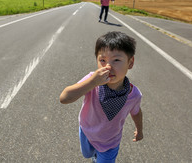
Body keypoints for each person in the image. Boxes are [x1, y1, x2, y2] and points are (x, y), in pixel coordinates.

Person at [60, 31, 143, 163]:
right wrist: (92, 82)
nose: (108, 67)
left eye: (116, 60)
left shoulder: (134, 95)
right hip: (87, 131)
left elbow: (136, 112)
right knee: (87, 154)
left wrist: (139, 129)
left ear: (130, 62)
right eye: (102, 60)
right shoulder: (92, 81)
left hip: (110, 142)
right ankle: (94, 156)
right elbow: (64, 98)